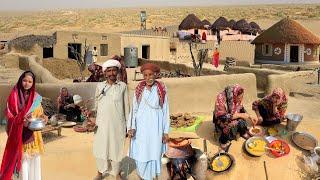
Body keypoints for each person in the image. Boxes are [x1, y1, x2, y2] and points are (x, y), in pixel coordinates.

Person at [0, 71, 48, 180]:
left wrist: (44, 117)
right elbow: (10, 116)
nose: (27, 83)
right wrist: (21, 120)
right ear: (21, 80)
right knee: (24, 162)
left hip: (35, 135)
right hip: (20, 135)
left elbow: (39, 112)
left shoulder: (35, 97)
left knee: (35, 160)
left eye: (30, 82)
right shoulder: (14, 96)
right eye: (25, 80)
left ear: (33, 83)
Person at [127, 63, 170, 180]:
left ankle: (151, 176)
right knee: (141, 151)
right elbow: (134, 110)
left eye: (150, 74)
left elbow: (166, 111)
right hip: (141, 126)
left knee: (154, 151)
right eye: (145, 75)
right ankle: (143, 176)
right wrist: (131, 127)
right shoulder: (139, 89)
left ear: (155, 75)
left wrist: (165, 131)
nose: (148, 78)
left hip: (156, 125)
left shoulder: (161, 89)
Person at [92, 59, 129, 180]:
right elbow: (96, 106)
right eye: (109, 70)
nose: (112, 73)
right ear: (105, 73)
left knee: (116, 148)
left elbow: (126, 107)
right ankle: (100, 171)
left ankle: (116, 173)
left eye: (114, 70)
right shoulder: (100, 86)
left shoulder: (122, 86)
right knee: (101, 147)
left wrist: (129, 126)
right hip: (101, 124)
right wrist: (91, 118)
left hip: (117, 124)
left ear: (117, 72)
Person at [213, 84, 254, 149]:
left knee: (242, 120)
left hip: (232, 115)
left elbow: (241, 108)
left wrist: (249, 116)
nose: (241, 99)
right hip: (221, 119)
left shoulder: (237, 95)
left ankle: (243, 132)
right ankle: (223, 141)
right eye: (239, 98)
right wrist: (240, 115)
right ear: (234, 95)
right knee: (228, 125)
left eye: (242, 97)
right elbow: (222, 117)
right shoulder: (221, 98)